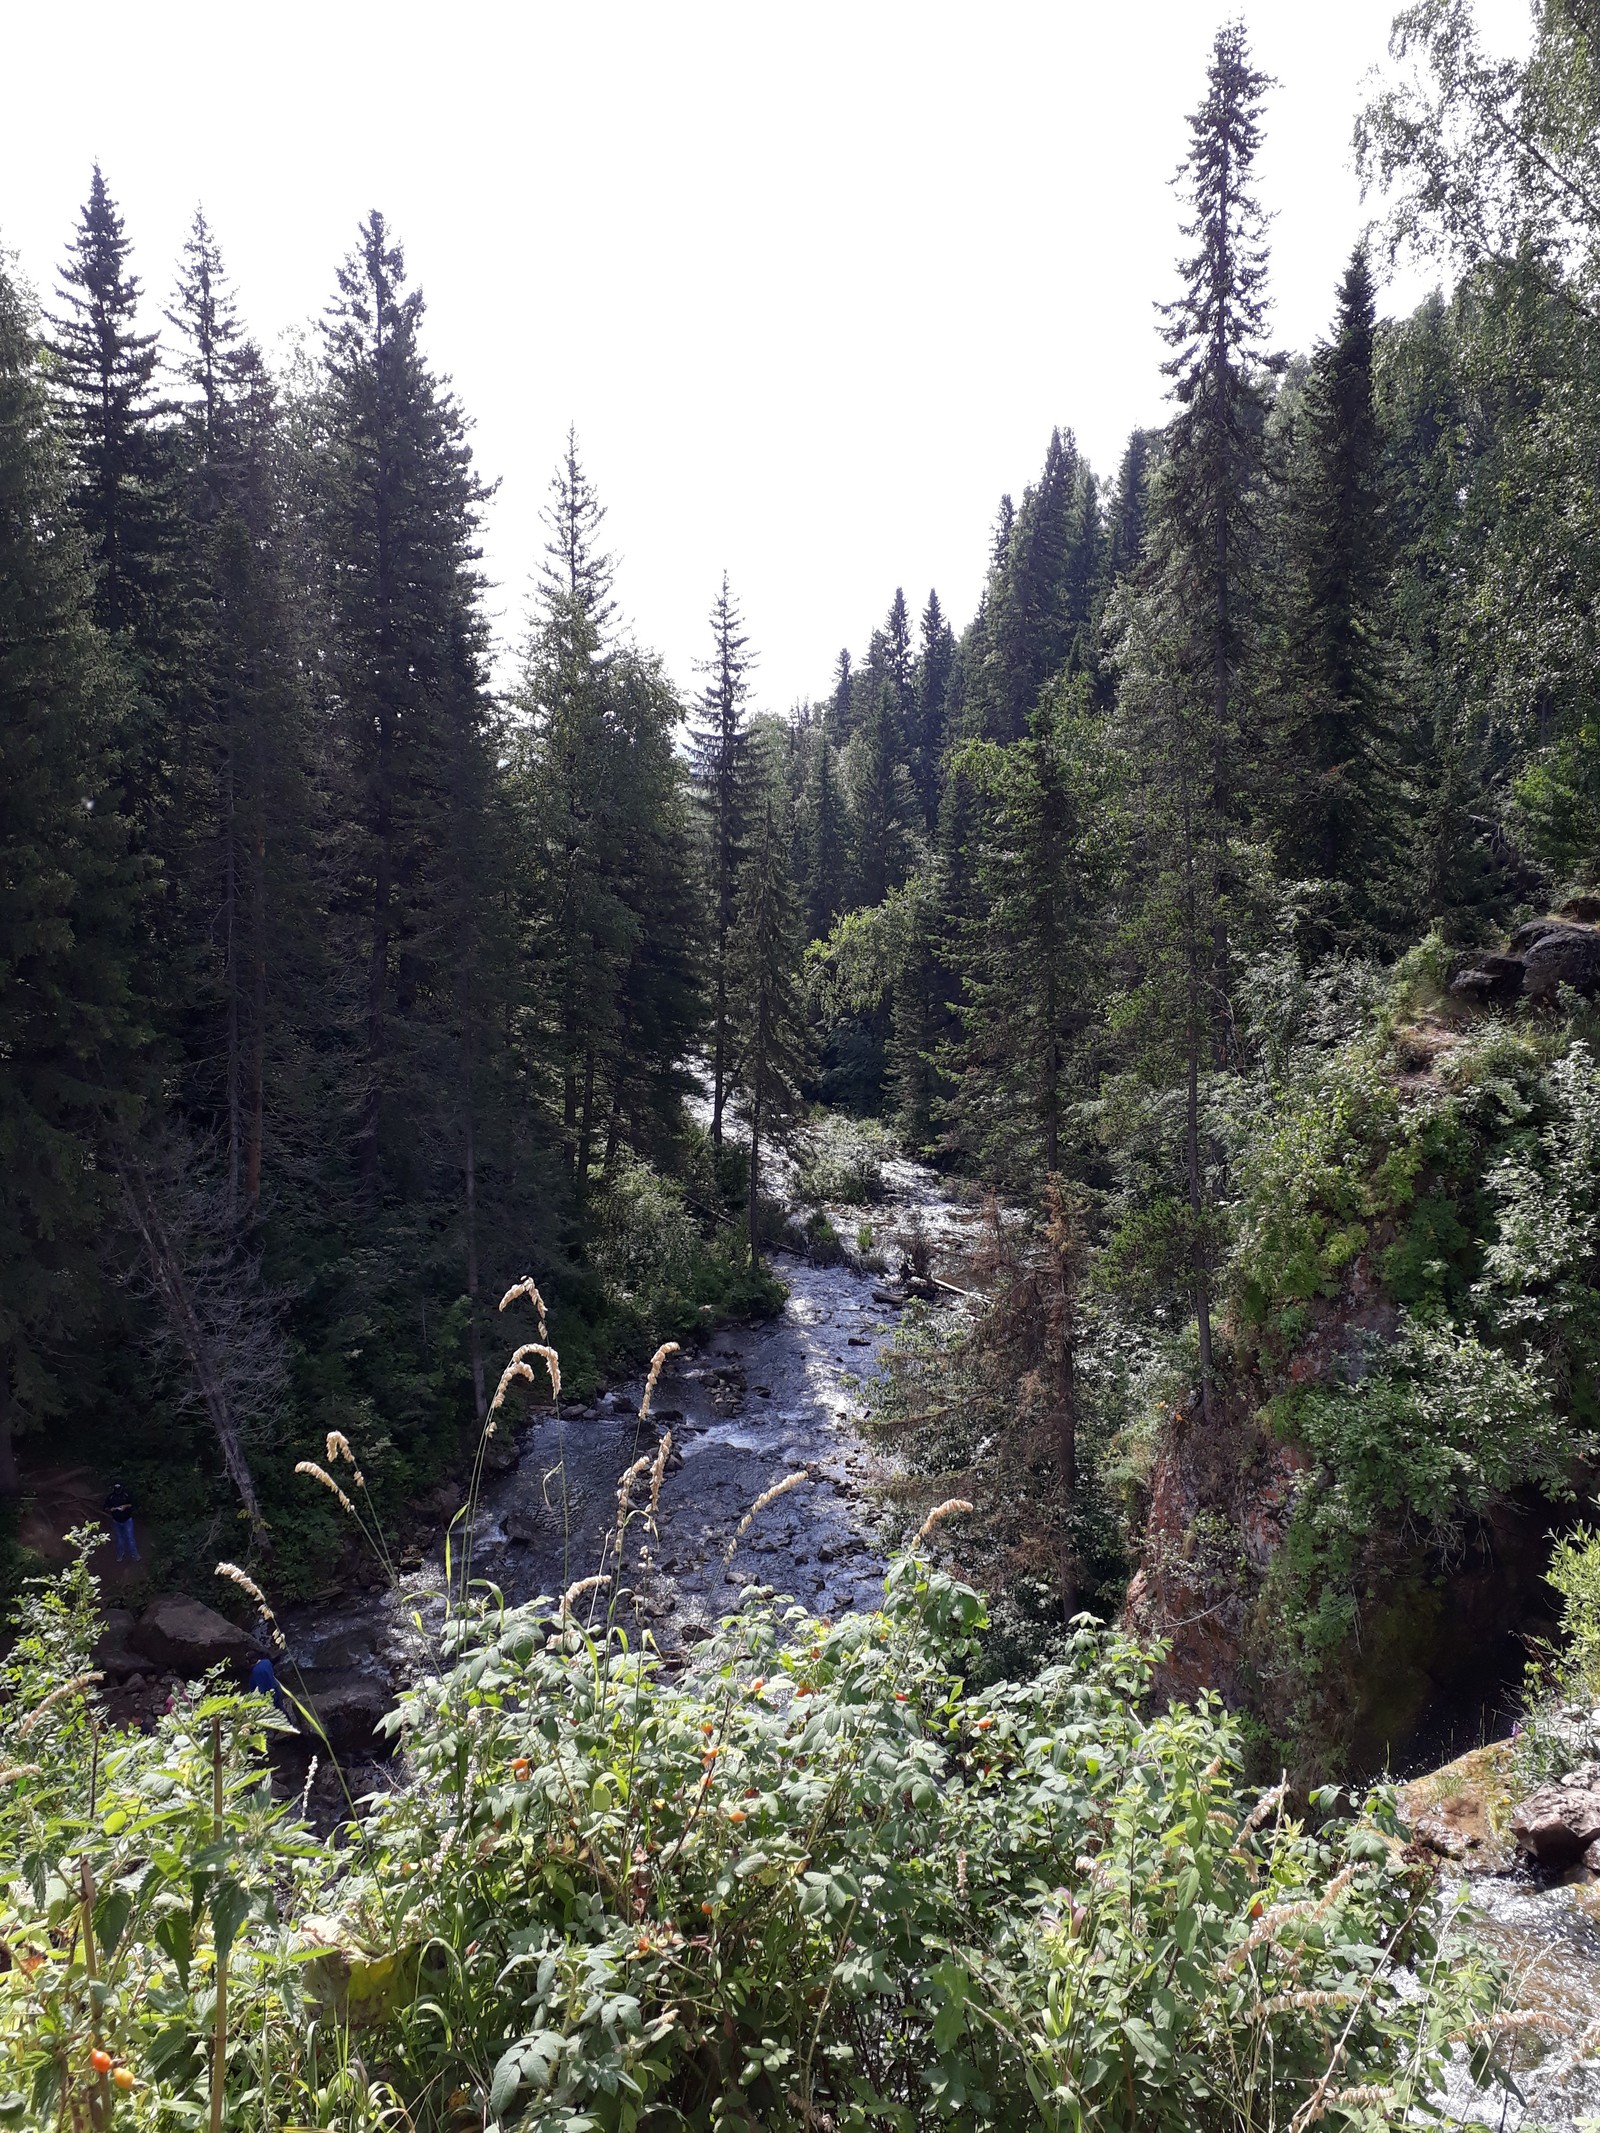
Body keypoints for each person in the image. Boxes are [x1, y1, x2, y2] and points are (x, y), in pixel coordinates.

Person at [103, 1481, 138, 1562]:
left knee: (130, 1538)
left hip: (127, 1520)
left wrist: (125, 1506)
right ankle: (120, 1555)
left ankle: (134, 1554)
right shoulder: (111, 1497)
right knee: (119, 1539)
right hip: (116, 1521)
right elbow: (105, 1507)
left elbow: (133, 1504)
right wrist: (110, 1509)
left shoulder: (126, 1495)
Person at [248, 1652, 288, 1717]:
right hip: (277, 1689)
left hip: (269, 1696)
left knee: (276, 1713)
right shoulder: (267, 1662)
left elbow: (256, 1687)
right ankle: (289, 1722)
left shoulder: (255, 1672)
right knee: (281, 1709)